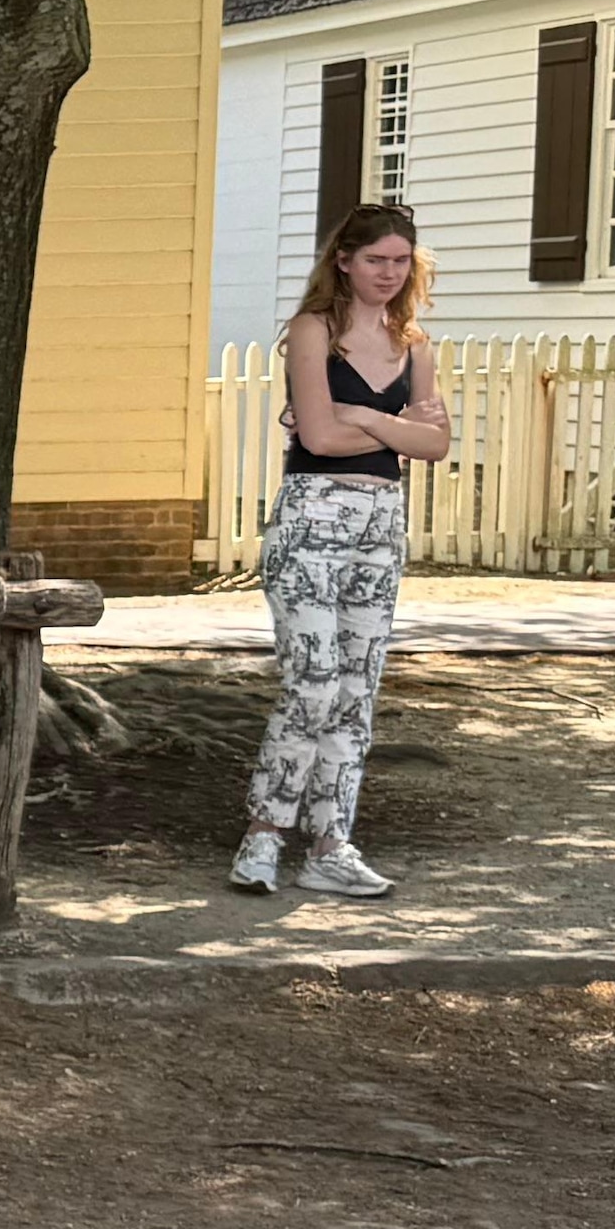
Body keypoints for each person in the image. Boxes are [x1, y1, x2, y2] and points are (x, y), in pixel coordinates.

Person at [235, 198, 447, 897]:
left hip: (381, 523)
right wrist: (393, 424)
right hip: (312, 518)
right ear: (345, 261)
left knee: (358, 689)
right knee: (314, 681)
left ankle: (331, 845)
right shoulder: (313, 331)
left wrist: (360, 413)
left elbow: (436, 444)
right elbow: (320, 440)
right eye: (375, 259)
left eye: (401, 261)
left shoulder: (413, 344)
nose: (389, 273)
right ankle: (264, 836)